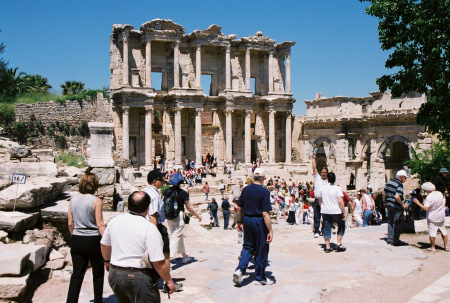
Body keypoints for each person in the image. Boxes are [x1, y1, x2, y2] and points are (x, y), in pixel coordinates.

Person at [101, 191, 175, 302]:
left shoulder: (114, 221)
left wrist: (107, 261)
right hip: (138, 276)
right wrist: (168, 280)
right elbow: (158, 261)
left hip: (116, 274)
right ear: (147, 208)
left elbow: (104, 244)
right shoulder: (149, 228)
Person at [66, 171, 106, 303]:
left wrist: (75, 236)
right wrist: (107, 241)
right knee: (98, 273)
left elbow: (70, 223)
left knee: (77, 274)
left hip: (77, 237)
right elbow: (100, 224)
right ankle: (98, 301)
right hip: (93, 239)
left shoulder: (72, 200)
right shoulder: (96, 201)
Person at [142, 169, 183, 292]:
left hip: (142, 227)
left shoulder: (143, 191)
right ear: (154, 181)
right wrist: (154, 237)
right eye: (161, 179)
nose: (164, 181)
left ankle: (151, 281)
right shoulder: (154, 195)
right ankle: (167, 282)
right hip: (155, 228)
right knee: (165, 256)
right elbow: (152, 216)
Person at [233, 168, 275, 286]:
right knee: (262, 247)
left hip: (247, 220)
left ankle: (240, 270)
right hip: (259, 221)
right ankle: (260, 277)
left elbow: (239, 207)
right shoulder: (264, 192)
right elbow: (265, 213)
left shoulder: (246, 189)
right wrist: (270, 230)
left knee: (248, 246)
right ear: (263, 178)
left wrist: (239, 222)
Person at [165, 172, 202, 263]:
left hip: (169, 216)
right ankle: (167, 259)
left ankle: (184, 257)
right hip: (178, 216)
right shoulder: (183, 193)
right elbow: (188, 207)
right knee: (175, 236)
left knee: (178, 235)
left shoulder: (167, 191)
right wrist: (197, 215)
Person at [413, 182, 448, 252]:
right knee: (443, 231)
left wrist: (418, 203)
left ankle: (433, 247)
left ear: (427, 190)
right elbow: (443, 203)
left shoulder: (430, 197)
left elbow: (426, 208)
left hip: (432, 217)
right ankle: (446, 246)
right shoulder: (440, 193)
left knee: (432, 232)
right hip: (441, 216)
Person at [317, 172, 346, 253]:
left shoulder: (322, 188)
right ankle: (339, 243)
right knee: (341, 225)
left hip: (325, 211)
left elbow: (320, 200)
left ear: (327, 179)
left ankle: (327, 246)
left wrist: (322, 207)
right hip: (336, 211)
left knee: (327, 227)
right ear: (335, 179)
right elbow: (340, 201)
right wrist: (343, 212)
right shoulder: (337, 188)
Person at [383, 170, 409, 246]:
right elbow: (397, 196)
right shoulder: (399, 184)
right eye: (405, 178)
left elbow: (384, 193)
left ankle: (389, 239)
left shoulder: (389, 182)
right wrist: (403, 205)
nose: (405, 180)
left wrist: (384, 202)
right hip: (396, 206)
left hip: (389, 204)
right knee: (397, 222)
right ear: (401, 177)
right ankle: (396, 240)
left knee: (390, 222)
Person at [312, 151, 328, 238]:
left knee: (325, 217)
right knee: (317, 216)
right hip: (318, 200)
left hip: (325, 200)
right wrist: (313, 158)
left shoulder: (328, 181)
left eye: (325, 173)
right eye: (322, 172)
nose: (323, 174)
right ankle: (316, 231)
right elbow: (314, 168)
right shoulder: (317, 177)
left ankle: (323, 230)